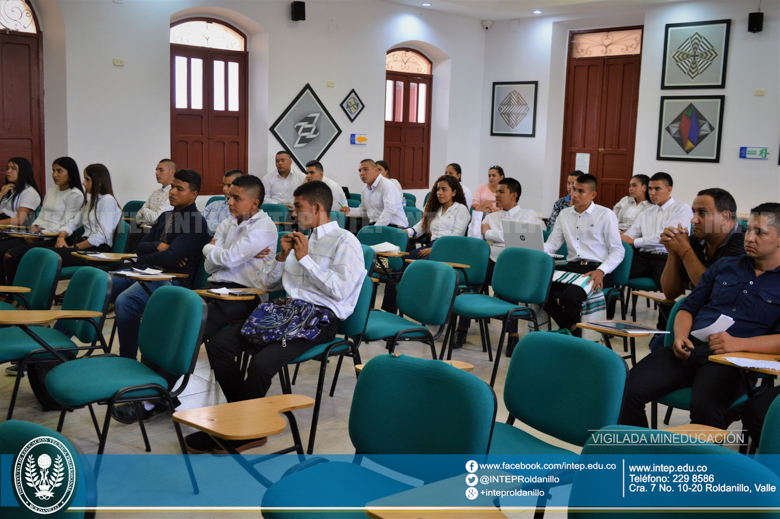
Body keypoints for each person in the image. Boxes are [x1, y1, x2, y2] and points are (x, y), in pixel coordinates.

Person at [186, 180, 366, 454]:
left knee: (261, 363)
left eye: (298, 207)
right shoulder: (294, 240)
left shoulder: (345, 242)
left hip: (319, 321)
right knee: (219, 345)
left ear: (317, 207)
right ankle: (244, 420)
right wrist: (282, 257)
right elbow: (266, 284)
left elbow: (340, 291)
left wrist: (305, 259)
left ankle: (239, 429)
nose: (293, 214)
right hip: (285, 313)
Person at [620, 203, 780, 430]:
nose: (749, 238)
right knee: (626, 390)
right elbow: (689, 306)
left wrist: (737, 344)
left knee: (706, 409)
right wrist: (680, 336)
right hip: (689, 348)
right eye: (749, 230)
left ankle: (701, 466)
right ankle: (641, 459)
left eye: (760, 232)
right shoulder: (726, 266)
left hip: (732, 361)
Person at [109, 169, 211, 424]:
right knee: (104, 282)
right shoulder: (166, 216)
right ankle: (126, 364)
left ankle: (129, 366)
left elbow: (170, 260)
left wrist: (157, 253)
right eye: (172, 187)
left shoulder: (196, 222)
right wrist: (158, 248)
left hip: (173, 279)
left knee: (126, 301)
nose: (173, 192)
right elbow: (139, 247)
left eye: (179, 188)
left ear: (194, 194)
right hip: (150, 271)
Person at [454, 177, 538, 350]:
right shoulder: (493, 216)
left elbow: (523, 239)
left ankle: (512, 336)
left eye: (501, 192)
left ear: (514, 195)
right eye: (496, 191)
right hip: (492, 259)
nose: (496, 195)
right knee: (473, 280)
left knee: (510, 280)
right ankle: (461, 329)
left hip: (516, 263)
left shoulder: (528, 215)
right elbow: (475, 238)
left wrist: (490, 233)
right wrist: (477, 212)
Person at [543, 174, 624, 337]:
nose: (574, 195)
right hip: (573, 266)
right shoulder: (564, 214)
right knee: (537, 288)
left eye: (581, 191)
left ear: (592, 195)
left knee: (570, 295)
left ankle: (573, 336)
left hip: (597, 268)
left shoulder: (605, 214)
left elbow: (618, 250)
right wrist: (535, 249)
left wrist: (601, 271)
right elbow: (552, 245)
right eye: (573, 190)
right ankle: (572, 328)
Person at [200, 174, 278, 341]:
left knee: (193, 326)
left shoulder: (264, 226)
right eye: (229, 197)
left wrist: (207, 248)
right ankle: (157, 367)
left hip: (244, 295)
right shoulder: (227, 223)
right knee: (176, 317)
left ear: (254, 203)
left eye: (236, 198)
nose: (229, 202)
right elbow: (209, 267)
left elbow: (229, 259)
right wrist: (234, 254)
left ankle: (171, 366)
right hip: (214, 287)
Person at [381, 175, 470, 314]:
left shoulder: (461, 210)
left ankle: (415, 309)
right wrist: (405, 232)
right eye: (438, 189)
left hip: (449, 250)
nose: (439, 192)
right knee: (398, 263)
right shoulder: (436, 208)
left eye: (444, 189)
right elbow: (419, 228)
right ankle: (389, 310)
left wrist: (433, 249)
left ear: (454, 192)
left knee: (418, 266)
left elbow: (456, 236)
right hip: (431, 246)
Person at [622, 172, 693, 328]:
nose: (652, 193)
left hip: (667, 258)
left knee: (669, 290)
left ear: (669, 189)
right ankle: (606, 322)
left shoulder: (681, 208)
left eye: (657, 189)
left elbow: (667, 238)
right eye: (651, 189)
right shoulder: (647, 212)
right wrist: (622, 237)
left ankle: (664, 330)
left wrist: (635, 241)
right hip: (643, 257)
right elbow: (630, 234)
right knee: (614, 270)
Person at [0, 157, 83, 284]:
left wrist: (42, 233)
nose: (54, 175)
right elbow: (42, 215)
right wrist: (34, 229)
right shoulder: (51, 191)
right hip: (40, 235)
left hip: (56, 239)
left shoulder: (75, 194)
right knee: (8, 251)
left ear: (70, 173)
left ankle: (14, 294)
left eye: (59, 171)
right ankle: (9, 292)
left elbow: (67, 222)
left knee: (12, 254)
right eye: (53, 171)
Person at [30, 164, 121, 270]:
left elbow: (101, 236)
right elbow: (73, 222)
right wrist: (61, 237)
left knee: (46, 256)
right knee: (40, 253)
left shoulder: (107, 200)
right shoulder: (93, 201)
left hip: (97, 252)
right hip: (86, 248)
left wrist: (74, 247)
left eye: (87, 179)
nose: (83, 183)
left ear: (99, 182)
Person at [339, 159, 408, 228]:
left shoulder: (387, 185)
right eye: (360, 171)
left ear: (376, 171)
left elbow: (390, 211)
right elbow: (364, 211)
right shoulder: (365, 189)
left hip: (394, 226)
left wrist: (375, 229)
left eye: (365, 169)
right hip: (377, 225)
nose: (362, 173)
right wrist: (349, 211)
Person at [126, 159, 177, 251]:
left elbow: (157, 219)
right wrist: (149, 213)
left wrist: (145, 210)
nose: (157, 173)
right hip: (143, 229)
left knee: (128, 235)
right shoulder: (154, 193)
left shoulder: (172, 194)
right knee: (127, 231)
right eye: (156, 170)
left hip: (156, 233)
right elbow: (138, 217)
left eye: (161, 170)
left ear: (172, 172)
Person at [0, 157, 41, 226]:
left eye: (13, 169)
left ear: (23, 171)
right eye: (8, 168)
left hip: (13, 229)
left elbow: (19, 220)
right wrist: (1, 194)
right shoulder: (7, 188)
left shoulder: (29, 193)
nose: (8, 171)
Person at [202, 169, 244, 235]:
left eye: (229, 185)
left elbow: (231, 230)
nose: (224, 188)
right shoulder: (213, 204)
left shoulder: (243, 208)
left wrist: (207, 225)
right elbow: (197, 224)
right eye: (224, 184)